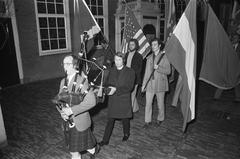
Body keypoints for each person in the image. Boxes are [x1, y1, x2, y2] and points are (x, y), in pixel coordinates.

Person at [59, 54, 100, 159]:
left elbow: (92, 101)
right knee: (82, 147)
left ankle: (93, 148)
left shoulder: (82, 81)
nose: (65, 67)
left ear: (75, 65)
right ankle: (93, 149)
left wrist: (71, 110)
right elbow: (60, 101)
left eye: (68, 64)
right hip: (68, 122)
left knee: (74, 152)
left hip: (79, 121)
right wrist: (62, 112)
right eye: (64, 64)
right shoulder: (63, 82)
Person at [99, 52, 135, 146]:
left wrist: (116, 89)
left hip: (123, 99)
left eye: (119, 60)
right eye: (115, 60)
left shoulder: (130, 71)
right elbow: (106, 83)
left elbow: (129, 87)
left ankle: (126, 133)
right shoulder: (111, 70)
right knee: (110, 120)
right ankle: (105, 140)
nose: (117, 62)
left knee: (125, 119)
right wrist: (105, 89)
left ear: (123, 60)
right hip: (113, 99)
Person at [141, 38, 171, 129]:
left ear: (159, 45)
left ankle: (160, 118)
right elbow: (146, 73)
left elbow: (168, 71)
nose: (153, 46)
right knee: (148, 103)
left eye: (155, 44)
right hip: (150, 84)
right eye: (152, 45)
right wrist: (143, 85)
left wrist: (158, 68)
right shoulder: (149, 57)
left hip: (160, 84)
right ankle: (147, 121)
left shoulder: (165, 56)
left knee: (160, 103)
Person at [126, 39, 143, 113]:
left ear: (136, 46)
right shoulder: (126, 54)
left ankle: (129, 113)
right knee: (129, 94)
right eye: (130, 44)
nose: (131, 46)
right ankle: (135, 108)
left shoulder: (139, 56)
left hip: (134, 79)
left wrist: (133, 79)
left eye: (133, 44)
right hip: (126, 78)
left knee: (132, 95)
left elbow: (139, 70)